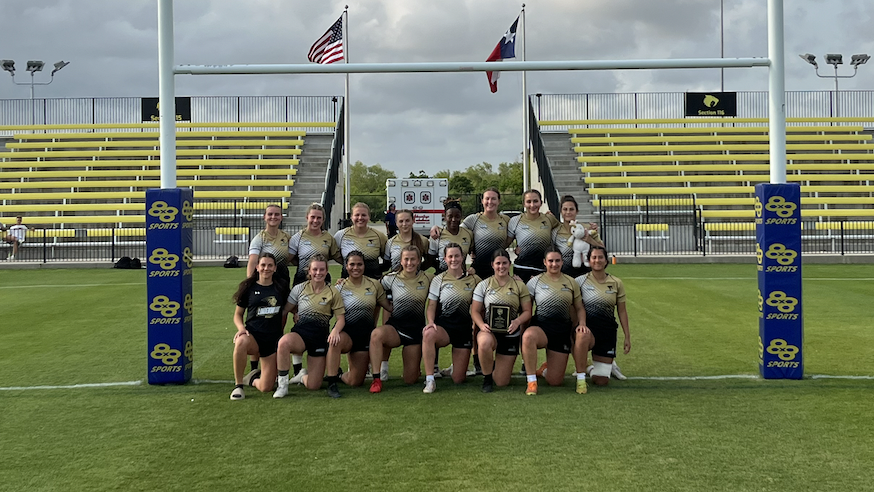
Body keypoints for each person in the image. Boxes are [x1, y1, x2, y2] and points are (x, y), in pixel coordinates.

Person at [521, 247, 592, 395]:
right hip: (541, 328)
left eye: (557, 261)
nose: (554, 264)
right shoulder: (534, 282)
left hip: (561, 331)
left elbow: (579, 308)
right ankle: (531, 382)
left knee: (555, 382)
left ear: (562, 262)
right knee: (528, 336)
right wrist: (521, 330)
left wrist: (582, 324)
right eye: (551, 261)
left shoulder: (571, 283)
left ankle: (545, 369)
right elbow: (527, 309)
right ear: (545, 262)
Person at [273, 254, 346, 398]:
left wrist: (336, 331)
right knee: (283, 343)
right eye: (315, 269)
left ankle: (301, 376)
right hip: (300, 335)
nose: (318, 273)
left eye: (321, 270)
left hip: (319, 338)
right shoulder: (299, 288)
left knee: (314, 386)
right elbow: (286, 310)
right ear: (309, 271)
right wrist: (293, 313)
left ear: (326, 271)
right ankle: (282, 386)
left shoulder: (333, 292)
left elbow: (341, 319)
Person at [325, 251, 393, 397]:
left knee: (356, 381)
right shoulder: (340, 287)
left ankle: (340, 376)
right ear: (346, 266)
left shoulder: (374, 285)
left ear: (364, 265)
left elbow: (388, 306)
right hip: (346, 334)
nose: (356, 268)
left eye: (359, 264)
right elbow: (324, 308)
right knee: (334, 341)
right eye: (352, 264)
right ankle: (331, 383)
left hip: (365, 337)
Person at [368, 245, 432, 393]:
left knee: (410, 380)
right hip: (395, 329)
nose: (409, 263)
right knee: (376, 335)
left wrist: (469, 272)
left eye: (413, 259)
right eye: (406, 259)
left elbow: (448, 281)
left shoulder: (428, 279)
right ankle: (377, 378)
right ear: (401, 261)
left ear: (419, 261)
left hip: (415, 333)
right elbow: (369, 287)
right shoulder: (390, 279)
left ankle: (415, 370)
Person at [421, 242, 482, 393]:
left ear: (463, 258)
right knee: (428, 333)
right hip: (444, 328)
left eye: (457, 256)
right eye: (450, 256)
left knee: (458, 379)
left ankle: (455, 368)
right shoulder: (438, 279)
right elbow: (431, 306)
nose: (454, 259)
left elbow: (490, 291)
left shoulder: (474, 280)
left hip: (464, 329)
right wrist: (431, 322)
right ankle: (430, 380)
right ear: (445, 259)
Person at [470, 249, 532, 393]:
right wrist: (481, 325)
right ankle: (486, 377)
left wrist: (517, 322)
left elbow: (528, 311)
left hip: (510, 332)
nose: (501, 266)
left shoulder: (519, 285)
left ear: (509, 264)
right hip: (489, 331)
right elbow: (474, 311)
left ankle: (495, 366)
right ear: (492, 265)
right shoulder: (484, 285)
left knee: (502, 382)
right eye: (498, 263)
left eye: (504, 263)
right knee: (484, 343)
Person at [230, 253, 289, 400]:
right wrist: (241, 329)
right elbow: (238, 314)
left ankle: (251, 379)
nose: (266, 268)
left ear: (275, 268)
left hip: (273, 340)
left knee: (266, 387)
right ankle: (238, 386)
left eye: (270, 265)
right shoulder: (248, 287)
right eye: (263, 265)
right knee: (241, 341)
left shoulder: (281, 287)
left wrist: (297, 313)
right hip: (254, 337)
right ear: (257, 267)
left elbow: (290, 306)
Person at [574, 245, 631, 387]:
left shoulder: (616, 283)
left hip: (607, 332)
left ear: (606, 261)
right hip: (588, 329)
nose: (597, 260)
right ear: (589, 261)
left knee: (601, 381)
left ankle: (589, 368)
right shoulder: (580, 281)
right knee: (582, 335)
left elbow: (622, 311)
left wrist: (627, 336)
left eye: (600, 257)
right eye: (594, 257)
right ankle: (580, 379)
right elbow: (573, 306)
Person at [507, 189, 561, 283]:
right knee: (523, 297)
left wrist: (588, 227)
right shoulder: (515, 221)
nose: (532, 205)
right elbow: (505, 243)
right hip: (521, 268)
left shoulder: (549, 219)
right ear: (524, 204)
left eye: (535, 201)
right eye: (528, 202)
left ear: (541, 202)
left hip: (543, 269)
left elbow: (566, 231)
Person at [289, 203, 342, 286]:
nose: (315, 221)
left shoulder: (329, 238)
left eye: (319, 218)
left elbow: (338, 257)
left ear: (323, 220)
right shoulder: (298, 237)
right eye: (312, 217)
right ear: (307, 217)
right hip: (302, 279)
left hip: (322, 279)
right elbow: (289, 259)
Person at [552, 195, 604, 279]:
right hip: (564, 275)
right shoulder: (555, 232)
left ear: (577, 211)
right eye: (565, 209)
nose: (568, 212)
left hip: (585, 274)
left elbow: (603, 249)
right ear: (561, 212)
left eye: (571, 209)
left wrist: (590, 240)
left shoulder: (586, 229)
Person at [334, 202, 388, 279]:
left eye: (364, 215)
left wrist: (378, 270)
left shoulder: (379, 236)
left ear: (369, 217)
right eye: (357, 215)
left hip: (373, 280)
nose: (360, 218)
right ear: (352, 217)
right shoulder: (341, 235)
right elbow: (335, 255)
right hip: (349, 280)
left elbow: (387, 258)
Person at [428, 198, 473, 275]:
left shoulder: (468, 234)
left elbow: (474, 254)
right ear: (445, 217)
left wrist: (472, 268)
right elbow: (430, 259)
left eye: (457, 216)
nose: (453, 219)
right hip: (443, 277)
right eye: (450, 216)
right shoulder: (437, 234)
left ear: (461, 217)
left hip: (461, 277)